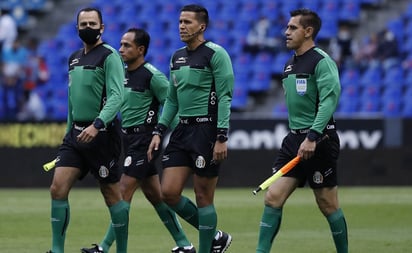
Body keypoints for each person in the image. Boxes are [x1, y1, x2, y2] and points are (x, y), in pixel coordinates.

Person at [81, 28, 194, 253]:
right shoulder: (120, 74)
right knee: (155, 195)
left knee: (121, 193)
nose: (121, 49)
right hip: (127, 139)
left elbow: (171, 105)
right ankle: (184, 244)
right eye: (121, 45)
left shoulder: (152, 75)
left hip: (145, 140)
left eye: (127, 46)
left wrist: (180, 137)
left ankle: (103, 248)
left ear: (140, 50)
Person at [255, 9, 348, 253]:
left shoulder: (321, 61)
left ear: (308, 32)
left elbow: (329, 100)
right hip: (294, 138)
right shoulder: (289, 64)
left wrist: (313, 136)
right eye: (286, 27)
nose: (286, 32)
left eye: (292, 28)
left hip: (319, 139)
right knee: (272, 197)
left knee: (327, 204)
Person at [147, 4, 234, 253]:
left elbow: (226, 96)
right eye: (180, 22)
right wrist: (159, 131)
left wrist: (221, 136)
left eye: (187, 22)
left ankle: (207, 248)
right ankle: (216, 236)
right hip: (182, 131)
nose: (182, 26)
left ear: (202, 26)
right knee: (169, 193)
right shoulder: (177, 57)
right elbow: (172, 100)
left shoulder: (216, 54)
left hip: (207, 131)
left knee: (203, 197)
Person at [47, 7, 129, 253]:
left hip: (102, 135)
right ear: (77, 29)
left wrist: (98, 124)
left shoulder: (109, 56)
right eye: (83, 24)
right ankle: (57, 250)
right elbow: (73, 100)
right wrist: (69, 130)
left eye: (93, 24)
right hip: (76, 135)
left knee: (111, 195)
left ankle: (121, 250)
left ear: (102, 28)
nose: (88, 28)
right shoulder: (73, 58)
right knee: (57, 188)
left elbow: (117, 96)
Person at [1, 37, 28, 120]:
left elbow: (22, 67)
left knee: (19, 96)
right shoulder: (6, 52)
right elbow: (3, 65)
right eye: (14, 43)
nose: (15, 45)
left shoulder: (23, 52)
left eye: (17, 43)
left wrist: (14, 78)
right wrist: (7, 77)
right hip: (7, 77)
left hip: (18, 78)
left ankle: (19, 113)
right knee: (4, 95)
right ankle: (5, 113)